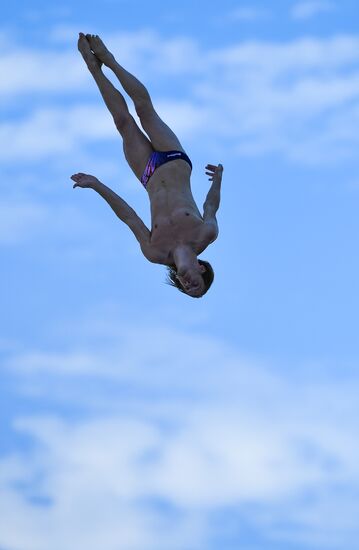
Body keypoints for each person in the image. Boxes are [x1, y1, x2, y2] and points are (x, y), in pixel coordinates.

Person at [71, 33, 223, 298]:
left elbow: (129, 216)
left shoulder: (155, 252)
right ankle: (110, 60)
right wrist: (218, 179)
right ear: (201, 268)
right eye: (196, 284)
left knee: (123, 122)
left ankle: (92, 68)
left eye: (187, 290)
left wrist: (96, 185)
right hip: (174, 160)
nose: (188, 285)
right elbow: (211, 206)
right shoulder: (205, 234)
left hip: (148, 173)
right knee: (144, 110)